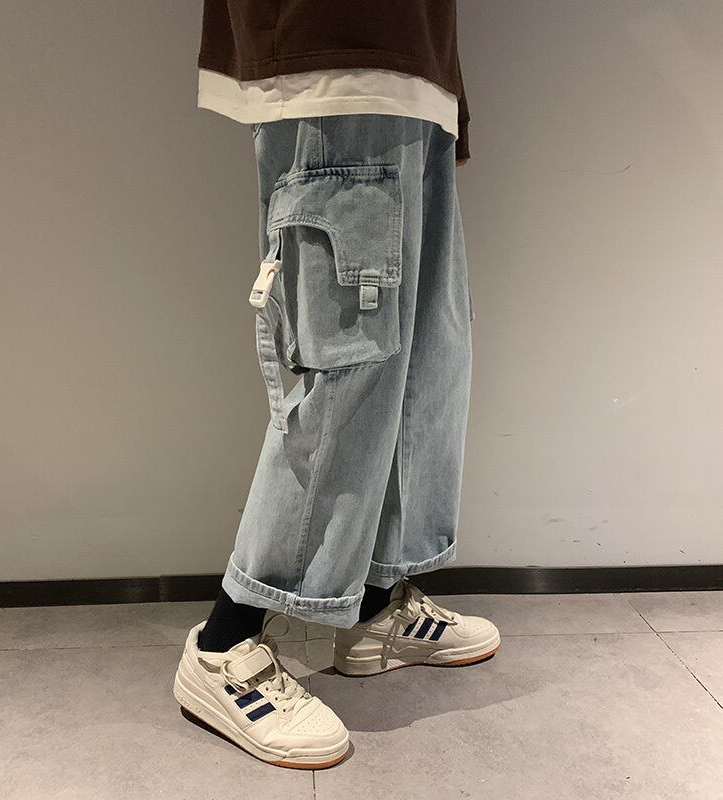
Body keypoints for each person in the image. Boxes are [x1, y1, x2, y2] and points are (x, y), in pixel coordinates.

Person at [173, 0, 500, 769]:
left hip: (414, 68)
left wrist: (448, 99)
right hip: (336, 51)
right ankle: (223, 644)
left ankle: (373, 610)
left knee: (427, 360)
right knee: (346, 372)